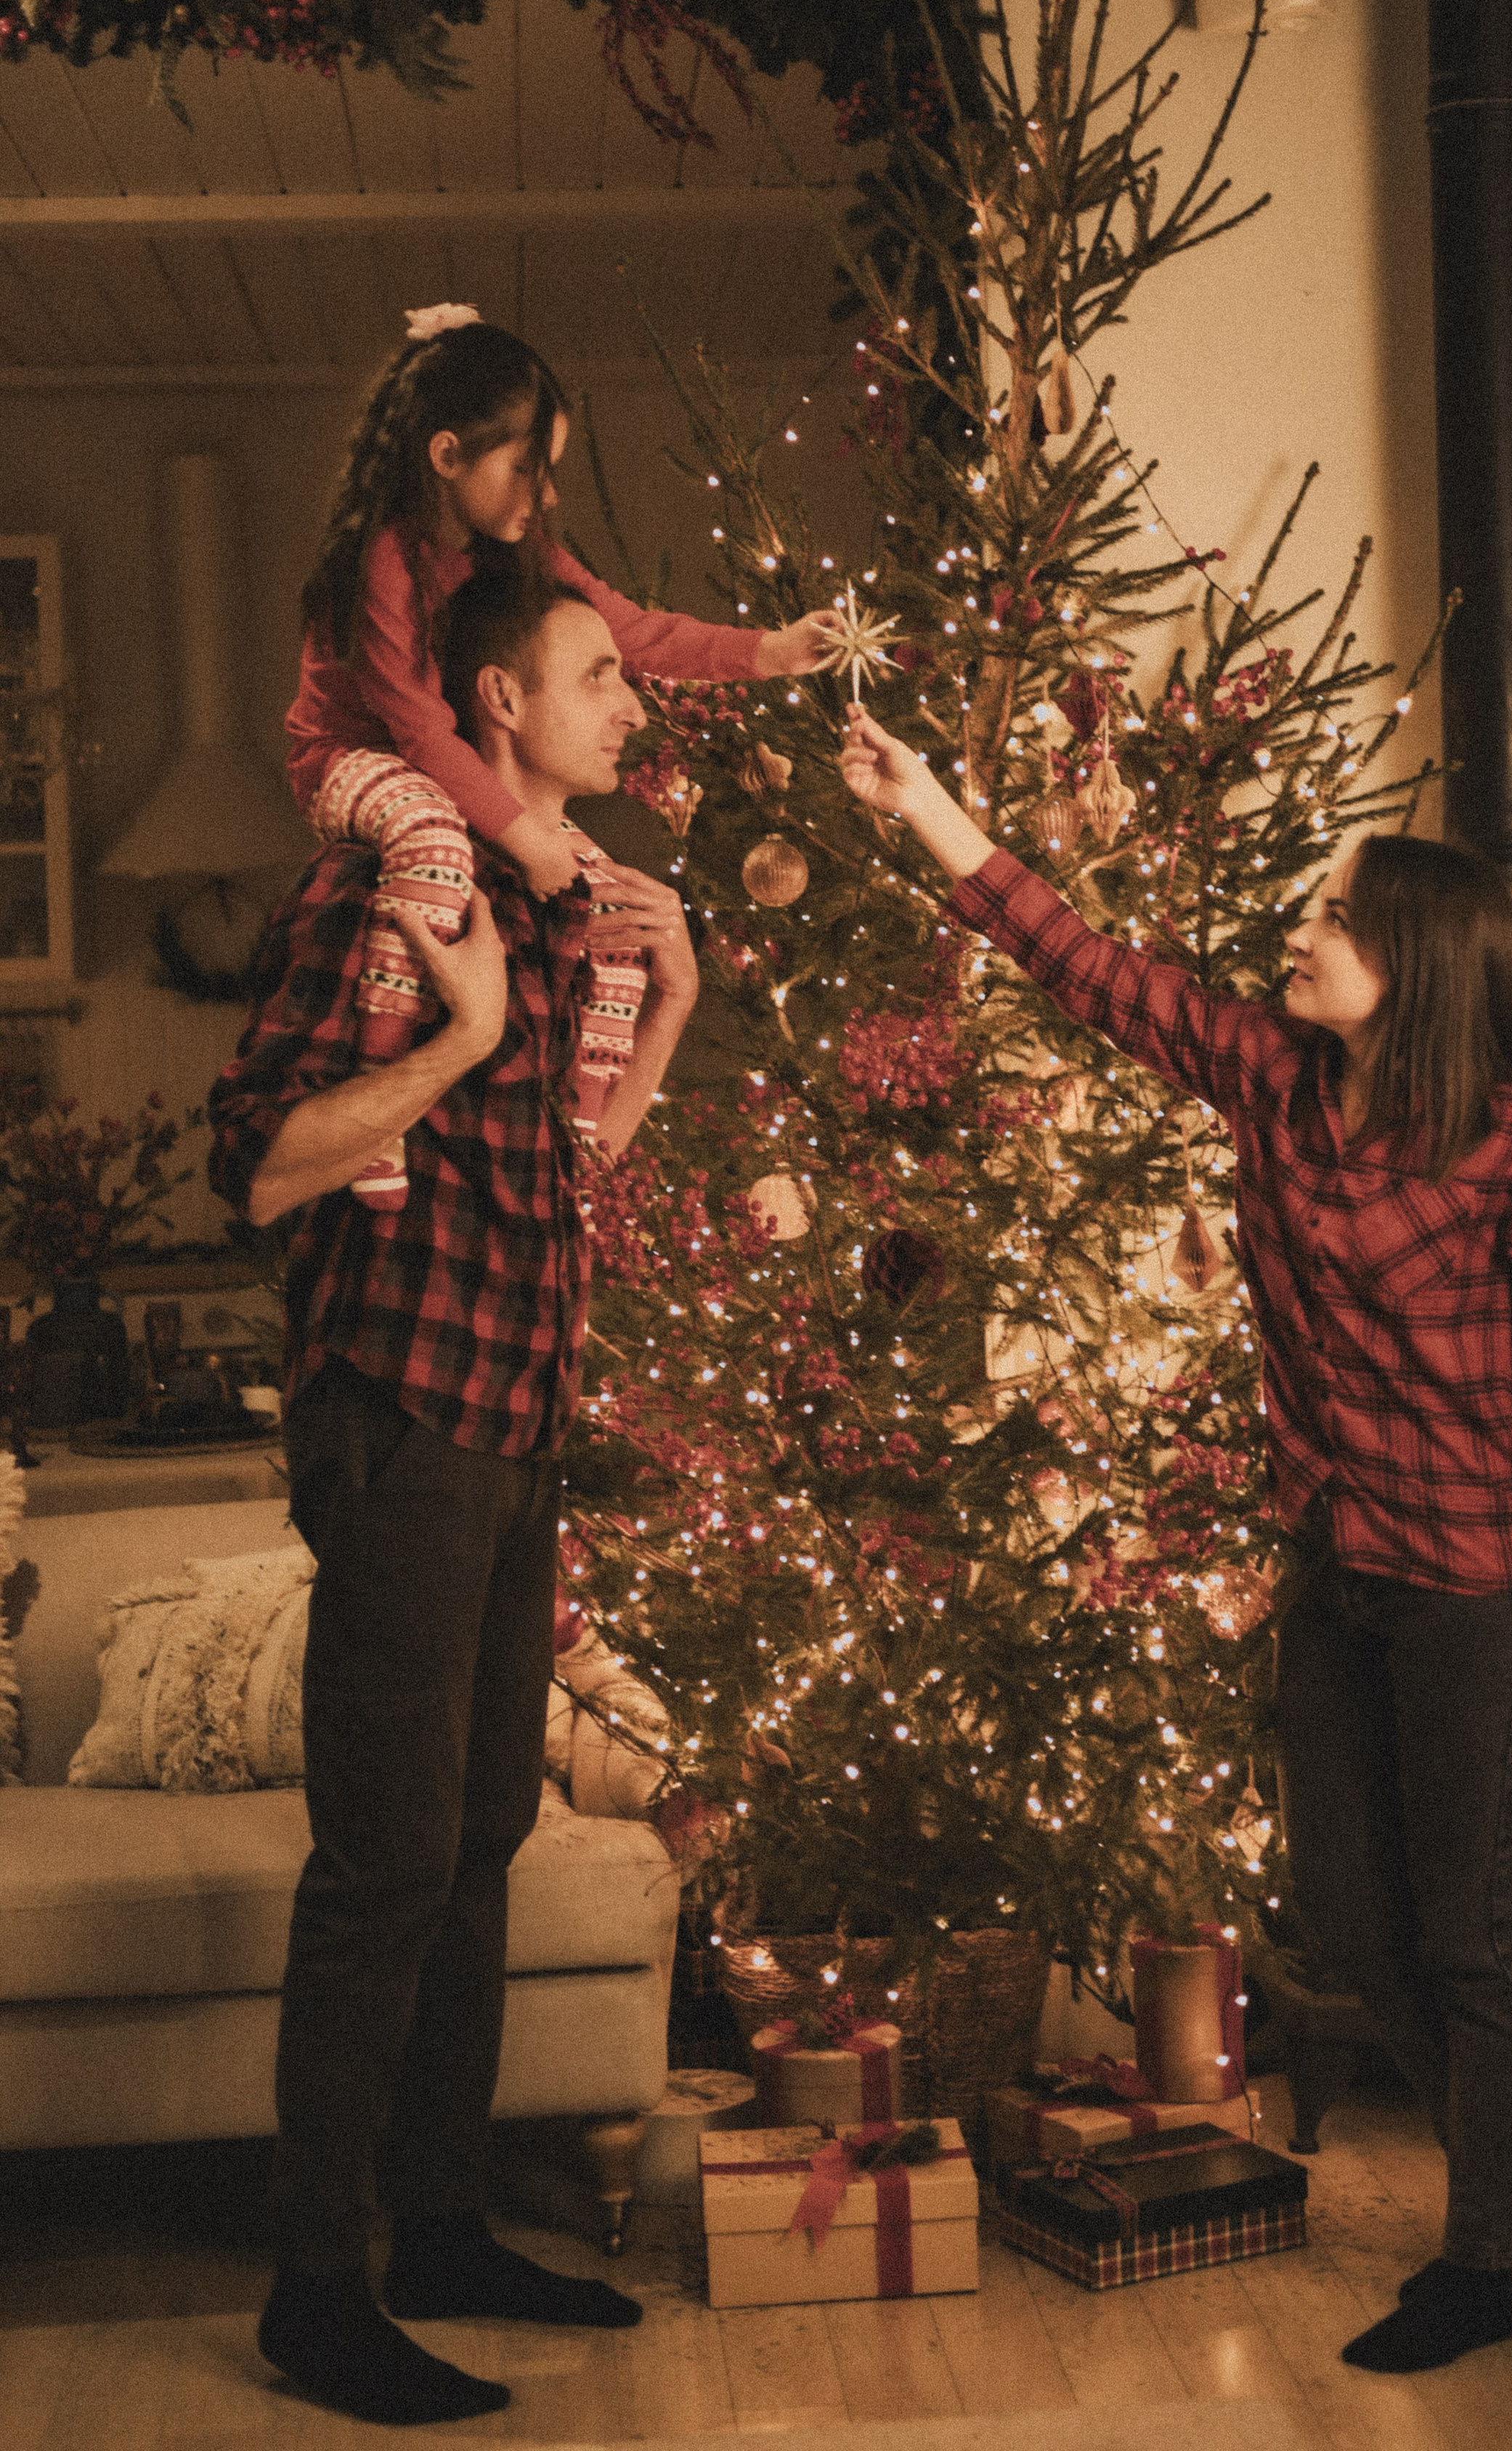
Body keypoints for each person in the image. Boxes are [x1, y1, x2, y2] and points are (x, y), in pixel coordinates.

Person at [839, 701, 1512, 2378]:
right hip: (1335, 1568)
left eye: (1335, 922)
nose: (1301, 933)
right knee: (1349, 1921)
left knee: (1473, 1930)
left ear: (1410, 968)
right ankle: (1503, 2166)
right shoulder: (1271, 1079)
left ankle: (1481, 2253)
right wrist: (928, 807)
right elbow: (1085, 968)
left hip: (1476, 1586)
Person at [210, 561, 696, 2428]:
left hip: (514, 1419)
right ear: (499, 699)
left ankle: (438, 2225)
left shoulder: (567, 909)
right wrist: (457, 1039)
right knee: (388, 1855)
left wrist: (666, 1007)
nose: (630, 702)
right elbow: (260, 1163)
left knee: (484, 1825)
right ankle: (312, 2290)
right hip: (401, 1413)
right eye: (599, 673)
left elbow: (564, 1180)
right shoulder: (389, 890)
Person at [287, 301, 834, 1212]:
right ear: (447, 456)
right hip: (354, 759)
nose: (544, 496)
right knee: (432, 838)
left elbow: (632, 631)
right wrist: (526, 842)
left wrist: (768, 653)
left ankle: (579, 1141)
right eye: (526, 469)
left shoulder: (519, 550)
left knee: (609, 904)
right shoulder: (385, 562)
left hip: (446, 767)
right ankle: (378, 1100)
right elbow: (420, 733)